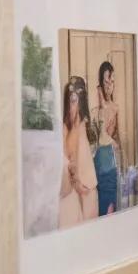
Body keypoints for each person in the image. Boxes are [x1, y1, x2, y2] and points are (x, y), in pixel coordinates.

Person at [59, 76, 98, 228]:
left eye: (75, 101)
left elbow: (87, 156)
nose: (72, 107)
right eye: (70, 101)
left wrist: (83, 185)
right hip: (73, 191)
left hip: (88, 187)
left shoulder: (84, 125)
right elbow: (67, 160)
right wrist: (76, 183)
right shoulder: (65, 129)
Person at [91, 60, 122, 217]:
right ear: (100, 82)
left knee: (111, 206)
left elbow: (116, 139)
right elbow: (98, 137)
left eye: (112, 81)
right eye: (106, 81)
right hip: (100, 161)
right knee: (103, 207)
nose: (109, 85)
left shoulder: (116, 107)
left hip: (111, 163)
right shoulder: (96, 108)